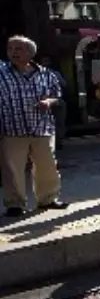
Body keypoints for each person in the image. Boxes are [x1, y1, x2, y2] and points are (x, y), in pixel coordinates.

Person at [0, 36, 68, 217]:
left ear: (30, 53)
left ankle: (48, 199)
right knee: (12, 169)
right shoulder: (2, 71)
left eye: (18, 49)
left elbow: (57, 94)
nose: (13, 52)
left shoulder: (46, 73)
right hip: (12, 128)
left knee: (47, 166)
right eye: (10, 48)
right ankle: (15, 204)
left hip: (42, 127)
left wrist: (48, 101)